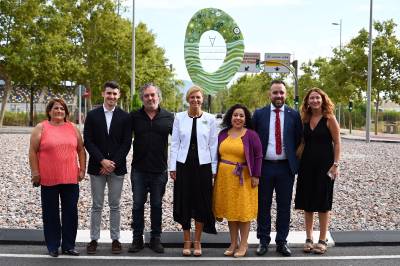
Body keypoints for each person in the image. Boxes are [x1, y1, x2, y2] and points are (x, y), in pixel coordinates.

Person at [29, 98, 86, 257]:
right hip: (48, 178)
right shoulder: (41, 128)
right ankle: (53, 246)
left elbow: (81, 150)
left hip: (70, 178)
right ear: (49, 111)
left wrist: (82, 170)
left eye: (62, 109)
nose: (59, 111)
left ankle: (69, 246)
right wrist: (35, 173)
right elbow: (32, 151)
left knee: (70, 213)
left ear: (66, 112)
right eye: (56, 108)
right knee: (50, 213)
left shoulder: (73, 128)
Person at [252, 80, 302, 257]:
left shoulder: (294, 115)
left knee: (284, 207)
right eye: (275, 93)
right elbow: (252, 140)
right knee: (263, 205)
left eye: (281, 92)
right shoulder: (259, 114)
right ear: (269, 94)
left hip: (285, 169)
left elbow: (298, 140)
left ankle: (282, 242)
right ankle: (263, 241)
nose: (278, 96)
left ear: (286, 94)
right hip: (264, 167)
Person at [169, 85, 218, 257]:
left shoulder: (211, 119)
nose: (195, 100)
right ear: (187, 99)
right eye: (192, 97)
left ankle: (197, 241)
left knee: (200, 202)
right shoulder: (179, 118)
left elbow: (213, 145)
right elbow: (174, 143)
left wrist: (214, 168)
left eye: (198, 97)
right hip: (183, 165)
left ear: (202, 99)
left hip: (203, 166)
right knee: (185, 202)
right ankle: (186, 241)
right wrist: (172, 167)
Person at [84, 81, 131, 254]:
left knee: (115, 205)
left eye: (114, 94)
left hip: (116, 169)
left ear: (118, 96)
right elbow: (88, 141)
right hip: (97, 167)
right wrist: (102, 161)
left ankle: (115, 239)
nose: (111, 96)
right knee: (96, 205)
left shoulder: (125, 117)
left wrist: (112, 164)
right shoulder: (93, 115)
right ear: (103, 93)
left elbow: (126, 143)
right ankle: (94, 239)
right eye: (109, 93)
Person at [128, 83, 174, 253]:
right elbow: (124, 139)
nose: (150, 98)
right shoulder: (134, 117)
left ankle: (156, 239)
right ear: (142, 98)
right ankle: (137, 239)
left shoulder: (169, 117)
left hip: (159, 170)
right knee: (137, 205)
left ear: (158, 97)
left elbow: (178, 143)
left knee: (156, 205)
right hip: (139, 169)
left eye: (153, 95)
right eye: (146, 95)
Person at [294, 88, 341, 254]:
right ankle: (308, 238)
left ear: (323, 100)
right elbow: (300, 141)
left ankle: (322, 239)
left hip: (325, 166)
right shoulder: (304, 119)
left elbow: (337, 142)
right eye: (311, 98)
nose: (314, 100)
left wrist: (335, 165)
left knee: (323, 203)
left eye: (317, 98)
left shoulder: (330, 119)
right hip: (306, 165)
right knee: (307, 203)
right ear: (307, 101)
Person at [213, 104, 263, 258]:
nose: (238, 118)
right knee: (231, 211)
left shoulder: (251, 135)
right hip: (225, 179)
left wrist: (256, 175)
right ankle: (233, 243)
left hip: (245, 178)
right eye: (235, 115)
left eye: (241, 115)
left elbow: (258, 156)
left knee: (243, 212)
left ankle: (244, 244)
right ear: (230, 117)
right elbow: (216, 155)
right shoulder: (222, 134)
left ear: (246, 118)